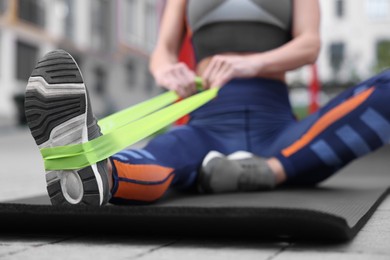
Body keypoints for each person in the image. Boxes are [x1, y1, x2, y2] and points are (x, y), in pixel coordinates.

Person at [25, 0, 390, 206]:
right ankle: (98, 173)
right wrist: (170, 72)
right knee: (164, 152)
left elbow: (310, 45)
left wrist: (252, 61)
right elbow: (162, 54)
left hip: (279, 130)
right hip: (207, 126)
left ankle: (271, 169)